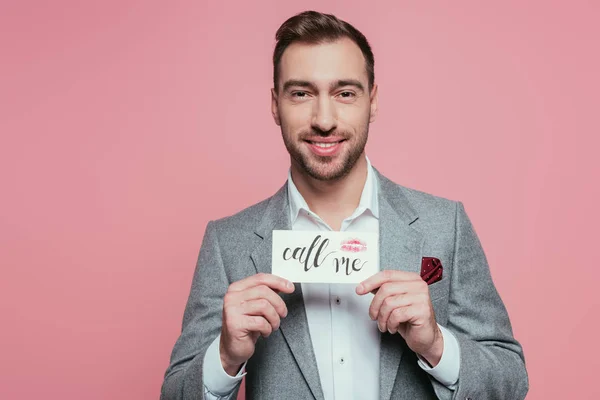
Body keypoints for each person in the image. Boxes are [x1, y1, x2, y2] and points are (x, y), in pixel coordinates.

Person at [160, 10, 528, 400]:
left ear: (372, 101)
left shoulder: (444, 225)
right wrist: (225, 357)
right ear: (275, 105)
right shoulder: (226, 242)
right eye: (301, 93)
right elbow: (174, 393)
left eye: (345, 93)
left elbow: (511, 381)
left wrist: (437, 346)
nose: (324, 119)